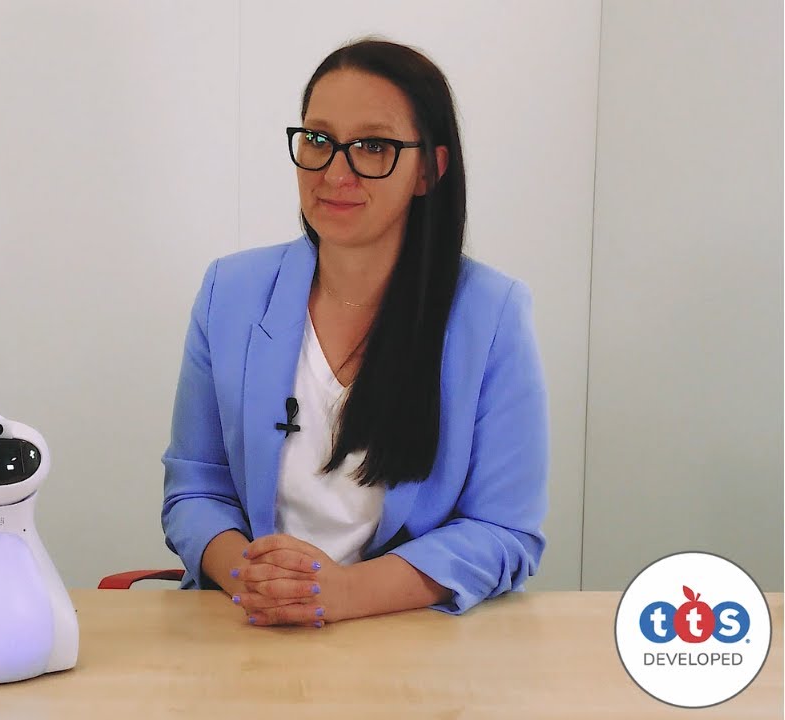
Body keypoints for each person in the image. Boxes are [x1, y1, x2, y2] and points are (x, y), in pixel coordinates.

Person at [160, 38, 549, 628]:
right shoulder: (230, 292)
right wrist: (255, 578)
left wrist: (343, 593)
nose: (335, 172)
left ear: (429, 169)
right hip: (252, 632)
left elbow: (504, 531)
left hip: (407, 639)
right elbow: (195, 488)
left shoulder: (492, 314)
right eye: (318, 140)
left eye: (373, 147)